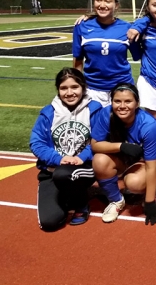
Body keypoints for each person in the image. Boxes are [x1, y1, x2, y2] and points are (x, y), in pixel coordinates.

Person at [31, 68, 102, 231]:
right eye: (64, 88)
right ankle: (67, 195)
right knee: (50, 222)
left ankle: (81, 203)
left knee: (64, 174)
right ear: (58, 90)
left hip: (83, 167)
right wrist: (58, 159)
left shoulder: (95, 109)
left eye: (74, 87)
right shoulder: (49, 112)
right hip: (52, 170)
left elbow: (101, 140)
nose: (69, 92)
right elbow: (36, 142)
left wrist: (82, 157)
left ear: (83, 87)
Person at [90, 83, 156, 225]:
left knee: (134, 183)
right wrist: (121, 146)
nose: (122, 106)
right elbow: (95, 144)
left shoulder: (149, 125)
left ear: (137, 103)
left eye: (128, 101)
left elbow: (151, 165)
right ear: (111, 102)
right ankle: (116, 200)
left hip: (144, 161)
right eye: (117, 101)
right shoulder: (106, 114)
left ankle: (152, 191)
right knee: (99, 161)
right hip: (121, 158)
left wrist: (150, 201)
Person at [73, 0, 134, 107]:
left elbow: (139, 55)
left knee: (122, 126)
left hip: (122, 89)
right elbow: (78, 60)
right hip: (92, 89)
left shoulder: (127, 28)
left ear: (116, 5)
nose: (102, 5)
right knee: (94, 125)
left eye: (107, 1)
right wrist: (77, 86)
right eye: (98, 0)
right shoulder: (82, 26)